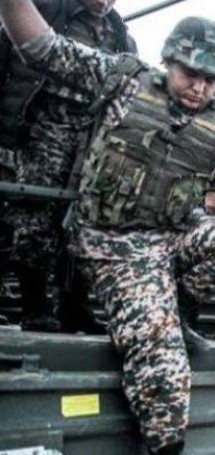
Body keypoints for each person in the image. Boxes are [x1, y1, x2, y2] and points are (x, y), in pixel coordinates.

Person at [0, 4, 215, 455]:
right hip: (115, 243)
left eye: (211, 80)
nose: (200, 88)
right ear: (169, 61)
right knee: (163, 363)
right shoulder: (124, 79)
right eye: (191, 74)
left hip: (170, 235)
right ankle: (166, 444)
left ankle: (180, 306)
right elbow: (41, 46)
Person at [0, 0, 136, 333]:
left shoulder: (121, 34)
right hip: (39, 128)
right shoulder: (47, 10)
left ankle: (75, 306)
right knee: (33, 214)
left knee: (84, 218)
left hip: (91, 136)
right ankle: (35, 306)